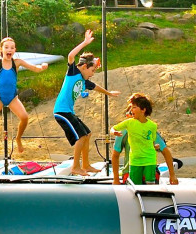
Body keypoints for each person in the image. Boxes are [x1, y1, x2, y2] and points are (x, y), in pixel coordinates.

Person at [53, 29, 120, 176]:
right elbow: (71, 55)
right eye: (93, 70)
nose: (93, 73)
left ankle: (86, 164)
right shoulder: (74, 72)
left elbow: (95, 87)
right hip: (61, 112)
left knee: (87, 134)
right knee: (81, 136)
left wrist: (109, 93)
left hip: (69, 112)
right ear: (84, 66)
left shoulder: (84, 81)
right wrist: (84, 43)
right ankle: (75, 167)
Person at [111, 106, 179, 185]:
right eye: (131, 113)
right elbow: (115, 155)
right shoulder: (122, 132)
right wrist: (116, 179)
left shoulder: (148, 129)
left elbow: (166, 152)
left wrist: (172, 175)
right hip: (131, 170)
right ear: (127, 116)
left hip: (148, 168)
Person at [110, 93, 161, 185]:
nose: (131, 110)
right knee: (135, 185)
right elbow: (113, 128)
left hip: (149, 159)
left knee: (150, 184)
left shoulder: (153, 126)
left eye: (134, 107)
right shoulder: (129, 123)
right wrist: (114, 132)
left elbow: (151, 141)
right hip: (134, 160)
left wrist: (155, 146)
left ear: (143, 110)